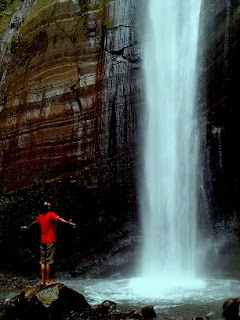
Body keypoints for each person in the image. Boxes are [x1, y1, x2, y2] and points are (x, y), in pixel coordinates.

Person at [21, 201, 76, 286]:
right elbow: (60, 219)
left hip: (42, 241)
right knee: (49, 262)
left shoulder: (40, 216)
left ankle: (42, 281)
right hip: (50, 241)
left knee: (43, 262)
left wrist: (27, 227)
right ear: (48, 207)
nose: (49, 203)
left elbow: (33, 223)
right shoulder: (51, 214)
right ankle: (48, 281)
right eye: (48, 204)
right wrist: (69, 223)